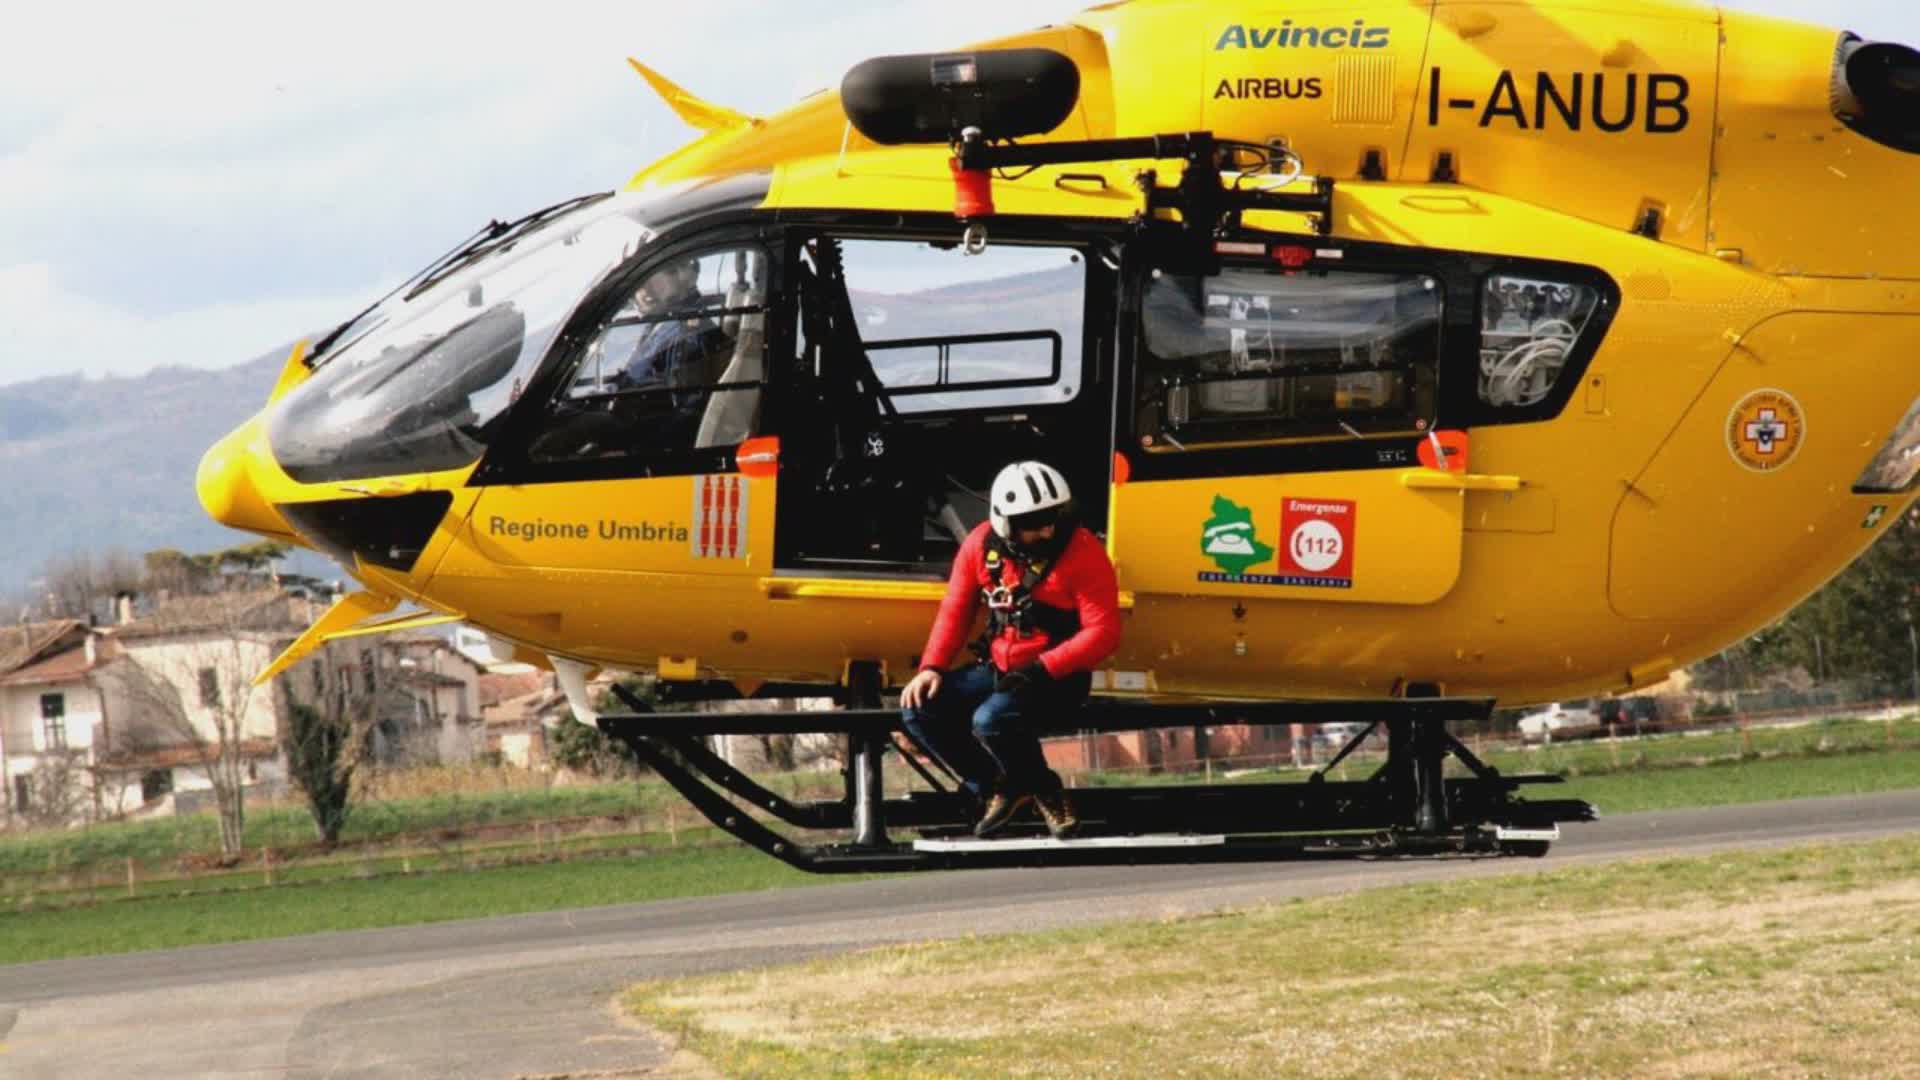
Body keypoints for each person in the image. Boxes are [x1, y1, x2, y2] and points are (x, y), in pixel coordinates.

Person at [900, 461, 1123, 839]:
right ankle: (1000, 786)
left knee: (990, 719)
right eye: (1035, 523)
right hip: (1002, 671)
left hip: (1057, 678)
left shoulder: (1083, 550)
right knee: (918, 710)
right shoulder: (979, 546)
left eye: (1053, 518)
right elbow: (954, 611)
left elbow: (1103, 632)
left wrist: (1041, 669)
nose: (1048, 530)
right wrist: (931, 667)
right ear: (1007, 523)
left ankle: (1046, 790)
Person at [613, 257, 733, 443]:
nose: (645, 290)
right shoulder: (661, 321)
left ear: (686, 278)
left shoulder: (687, 333)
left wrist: (629, 445)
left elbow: (688, 414)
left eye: (656, 277)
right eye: (642, 282)